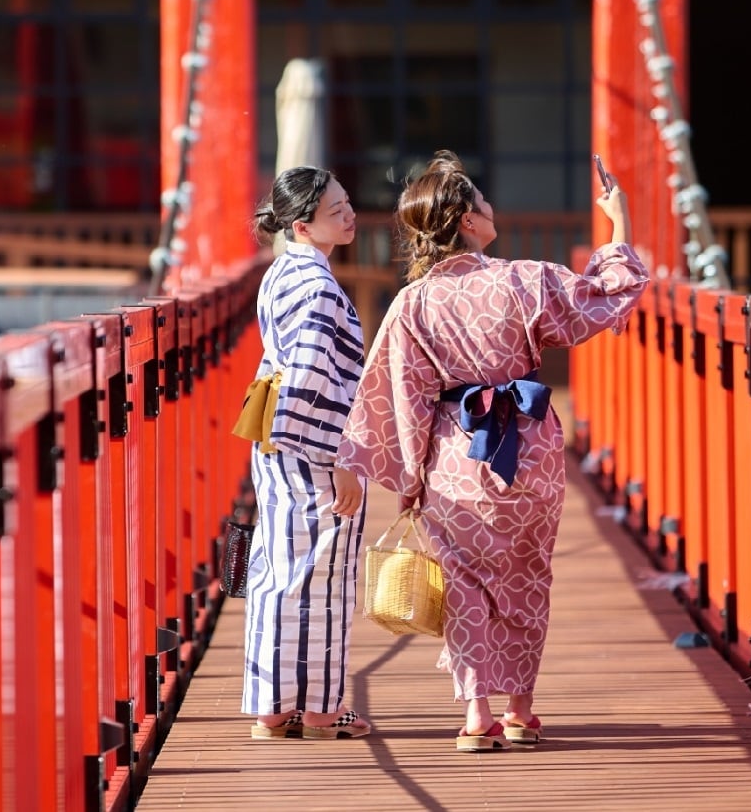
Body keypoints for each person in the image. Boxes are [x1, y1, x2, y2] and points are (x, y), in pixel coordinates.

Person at [345, 151, 646, 752]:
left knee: (465, 583)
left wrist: (408, 480)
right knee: (528, 577)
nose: (491, 209)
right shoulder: (525, 278)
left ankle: (476, 716)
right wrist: (619, 227)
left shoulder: (412, 304)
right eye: (481, 203)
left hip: (455, 458)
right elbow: (604, 298)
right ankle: (521, 711)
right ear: (465, 222)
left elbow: (400, 398)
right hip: (529, 453)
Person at [242, 166, 373, 741]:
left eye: (348, 203)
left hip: (275, 438)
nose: (350, 215)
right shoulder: (318, 288)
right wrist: (341, 458)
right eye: (336, 210)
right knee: (322, 573)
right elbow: (311, 377)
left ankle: (272, 705)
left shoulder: (282, 275)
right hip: (311, 444)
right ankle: (321, 708)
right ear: (302, 225)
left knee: (278, 569)